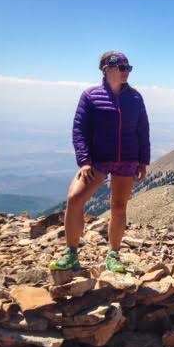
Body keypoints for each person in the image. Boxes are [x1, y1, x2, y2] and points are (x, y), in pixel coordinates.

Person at [49, 51, 150, 273]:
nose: (126, 72)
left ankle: (113, 255)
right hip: (97, 160)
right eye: (121, 68)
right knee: (75, 199)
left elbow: (143, 130)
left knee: (119, 207)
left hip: (127, 159)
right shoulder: (90, 95)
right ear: (106, 69)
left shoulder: (135, 97)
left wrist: (143, 161)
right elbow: (79, 130)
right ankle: (72, 254)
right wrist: (84, 161)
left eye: (128, 68)